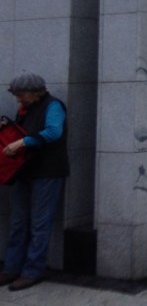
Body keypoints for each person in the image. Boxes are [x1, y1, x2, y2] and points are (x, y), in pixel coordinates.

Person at [0, 74, 69, 291]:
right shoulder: (26, 109)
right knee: (18, 222)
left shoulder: (53, 106)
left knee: (39, 224)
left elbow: (54, 132)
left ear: (35, 92)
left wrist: (22, 142)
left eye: (21, 95)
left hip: (47, 172)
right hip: (25, 171)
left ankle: (32, 271)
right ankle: (11, 268)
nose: (19, 99)